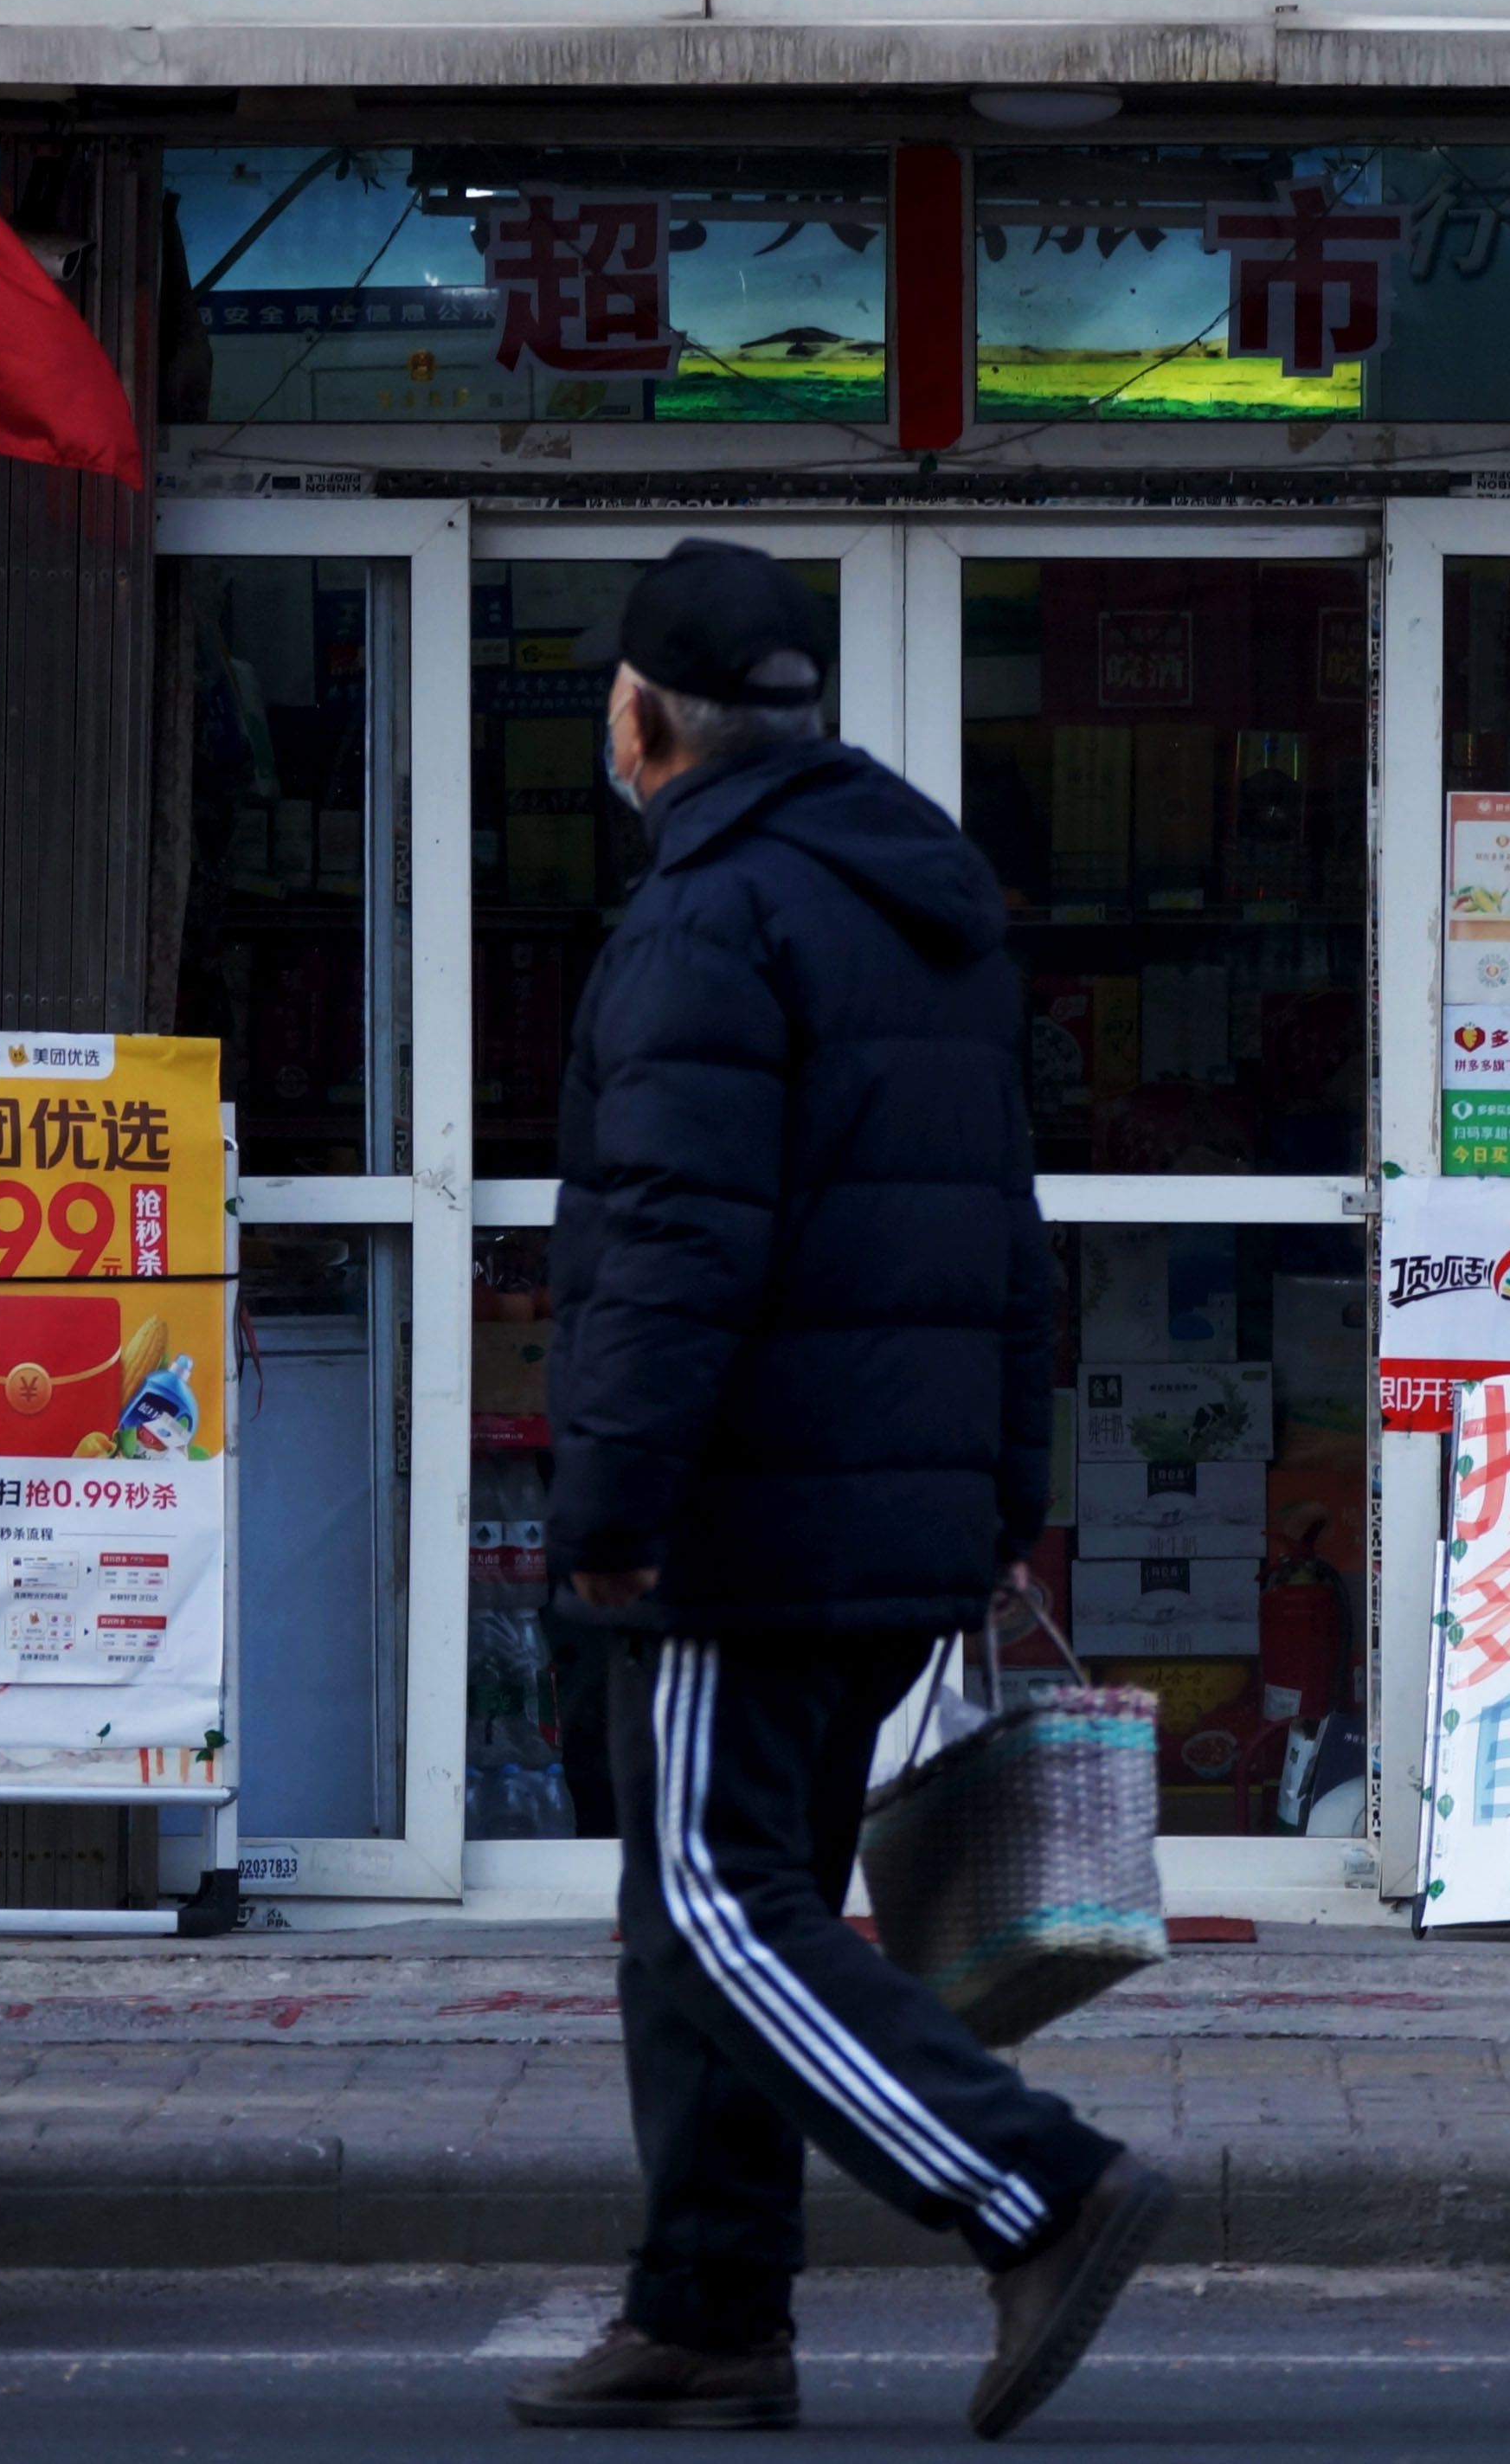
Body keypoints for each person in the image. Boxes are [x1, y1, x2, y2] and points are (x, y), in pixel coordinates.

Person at [510, 541, 1172, 2441]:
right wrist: (997, 1504)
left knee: (718, 1901)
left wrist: (611, 1512)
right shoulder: (917, 898)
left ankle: (1032, 2186)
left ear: (640, 720)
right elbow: (1006, 1235)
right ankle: (707, 2310)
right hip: (889, 1512)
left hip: (750, 1523)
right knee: (701, 1904)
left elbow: (672, 1245)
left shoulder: (707, 918)